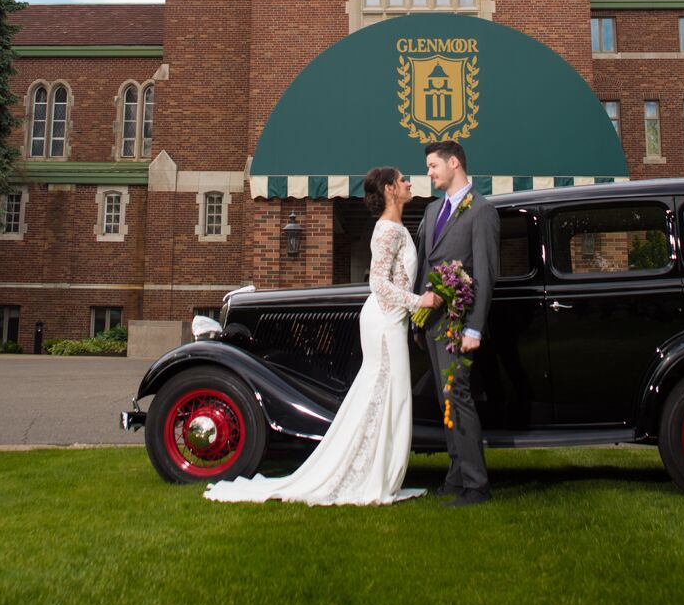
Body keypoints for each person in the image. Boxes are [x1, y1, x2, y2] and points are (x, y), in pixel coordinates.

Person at [204, 166, 425, 505]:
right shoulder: (388, 231)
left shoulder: (394, 228)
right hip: (385, 322)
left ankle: (378, 471)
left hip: (392, 319)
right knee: (383, 393)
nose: (409, 183)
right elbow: (378, 284)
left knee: (387, 394)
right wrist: (418, 301)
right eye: (402, 180)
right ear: (389, 189)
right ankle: (367, 473)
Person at [414, 139, 499, 507]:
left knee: (457, 396)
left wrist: (474, 328)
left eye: (433, 166)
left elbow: (485, 273)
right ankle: (454, 476)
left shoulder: (481, 211)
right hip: (432, 323)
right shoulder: (432, 212)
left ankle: (476, 485)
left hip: (459, 324)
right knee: (444, 399)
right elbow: (425, 266)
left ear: (454, 163)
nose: (429, 173)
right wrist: (418, 321)